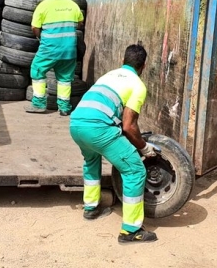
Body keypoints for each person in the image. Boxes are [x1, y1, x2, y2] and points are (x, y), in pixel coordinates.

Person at [69, 44, 161, 244]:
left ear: (123, 60)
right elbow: (128, 126)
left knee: (92, 161)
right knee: (135, 171)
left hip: (76, 124)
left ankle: (91, 208)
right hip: (97, 129)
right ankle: (131, 231)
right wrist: (144, 147)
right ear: (143, 65)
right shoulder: (137, 85)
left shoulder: (108, 76)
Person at [25, 0, 84, 116]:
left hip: (49, 48)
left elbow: (34, 27)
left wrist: (40, 36)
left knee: (37, 70)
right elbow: (80, 23)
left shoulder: (44, 5)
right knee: (65, 78)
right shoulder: (72, 5)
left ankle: (39, 104)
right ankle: (64, 108)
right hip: (69, 49)